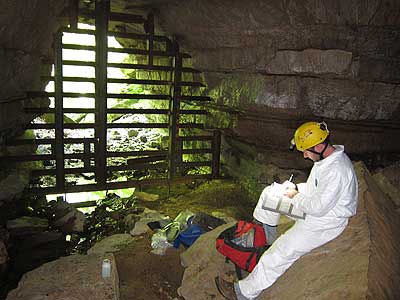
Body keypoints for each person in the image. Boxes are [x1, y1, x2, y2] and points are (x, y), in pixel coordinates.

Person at [215, 121, 358, 300]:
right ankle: (264, 241)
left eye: (306, 151)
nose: (305, 155)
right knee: (270, 194)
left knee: (282, 251)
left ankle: (242, 293)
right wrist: (293, 188)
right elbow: (318, 190)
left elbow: (318, 207)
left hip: (324, 222)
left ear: (320, 146)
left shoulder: (337, 170)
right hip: (313, 206)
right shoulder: (326, 159)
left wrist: (294, 195)